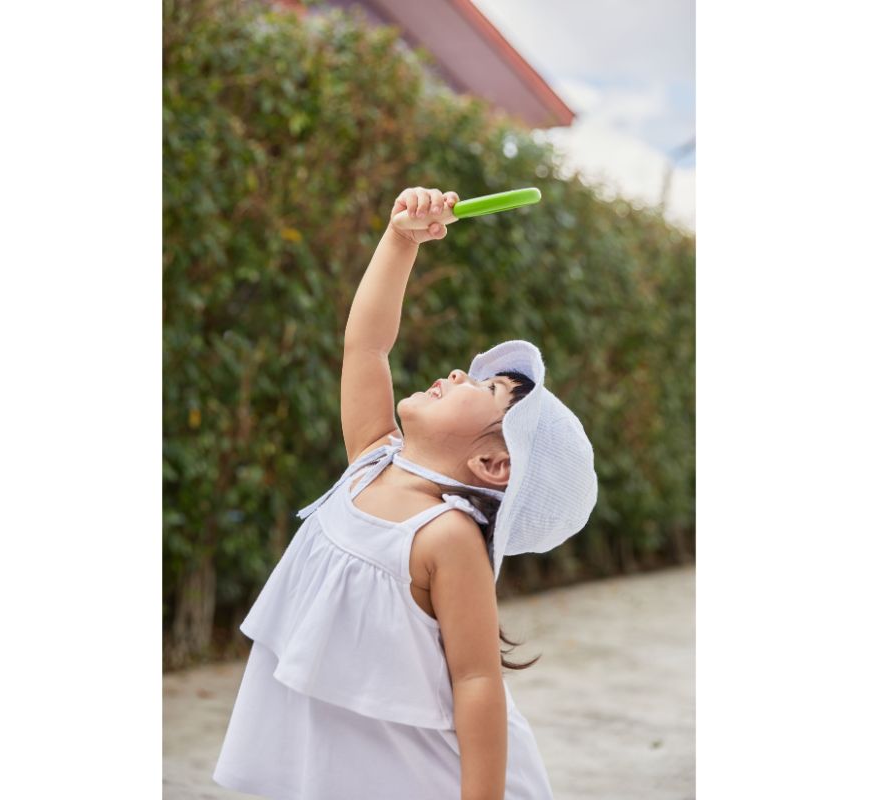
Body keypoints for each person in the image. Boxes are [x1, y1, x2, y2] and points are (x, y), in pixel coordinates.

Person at [212, 186, 599, 799]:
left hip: (430, 778)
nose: (456, 374)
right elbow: (367, 345)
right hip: (348, 770)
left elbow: (476, 680)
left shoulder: (444, 535)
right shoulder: (372, 459)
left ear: (493, 461)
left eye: (487, 388)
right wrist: (400, 241)